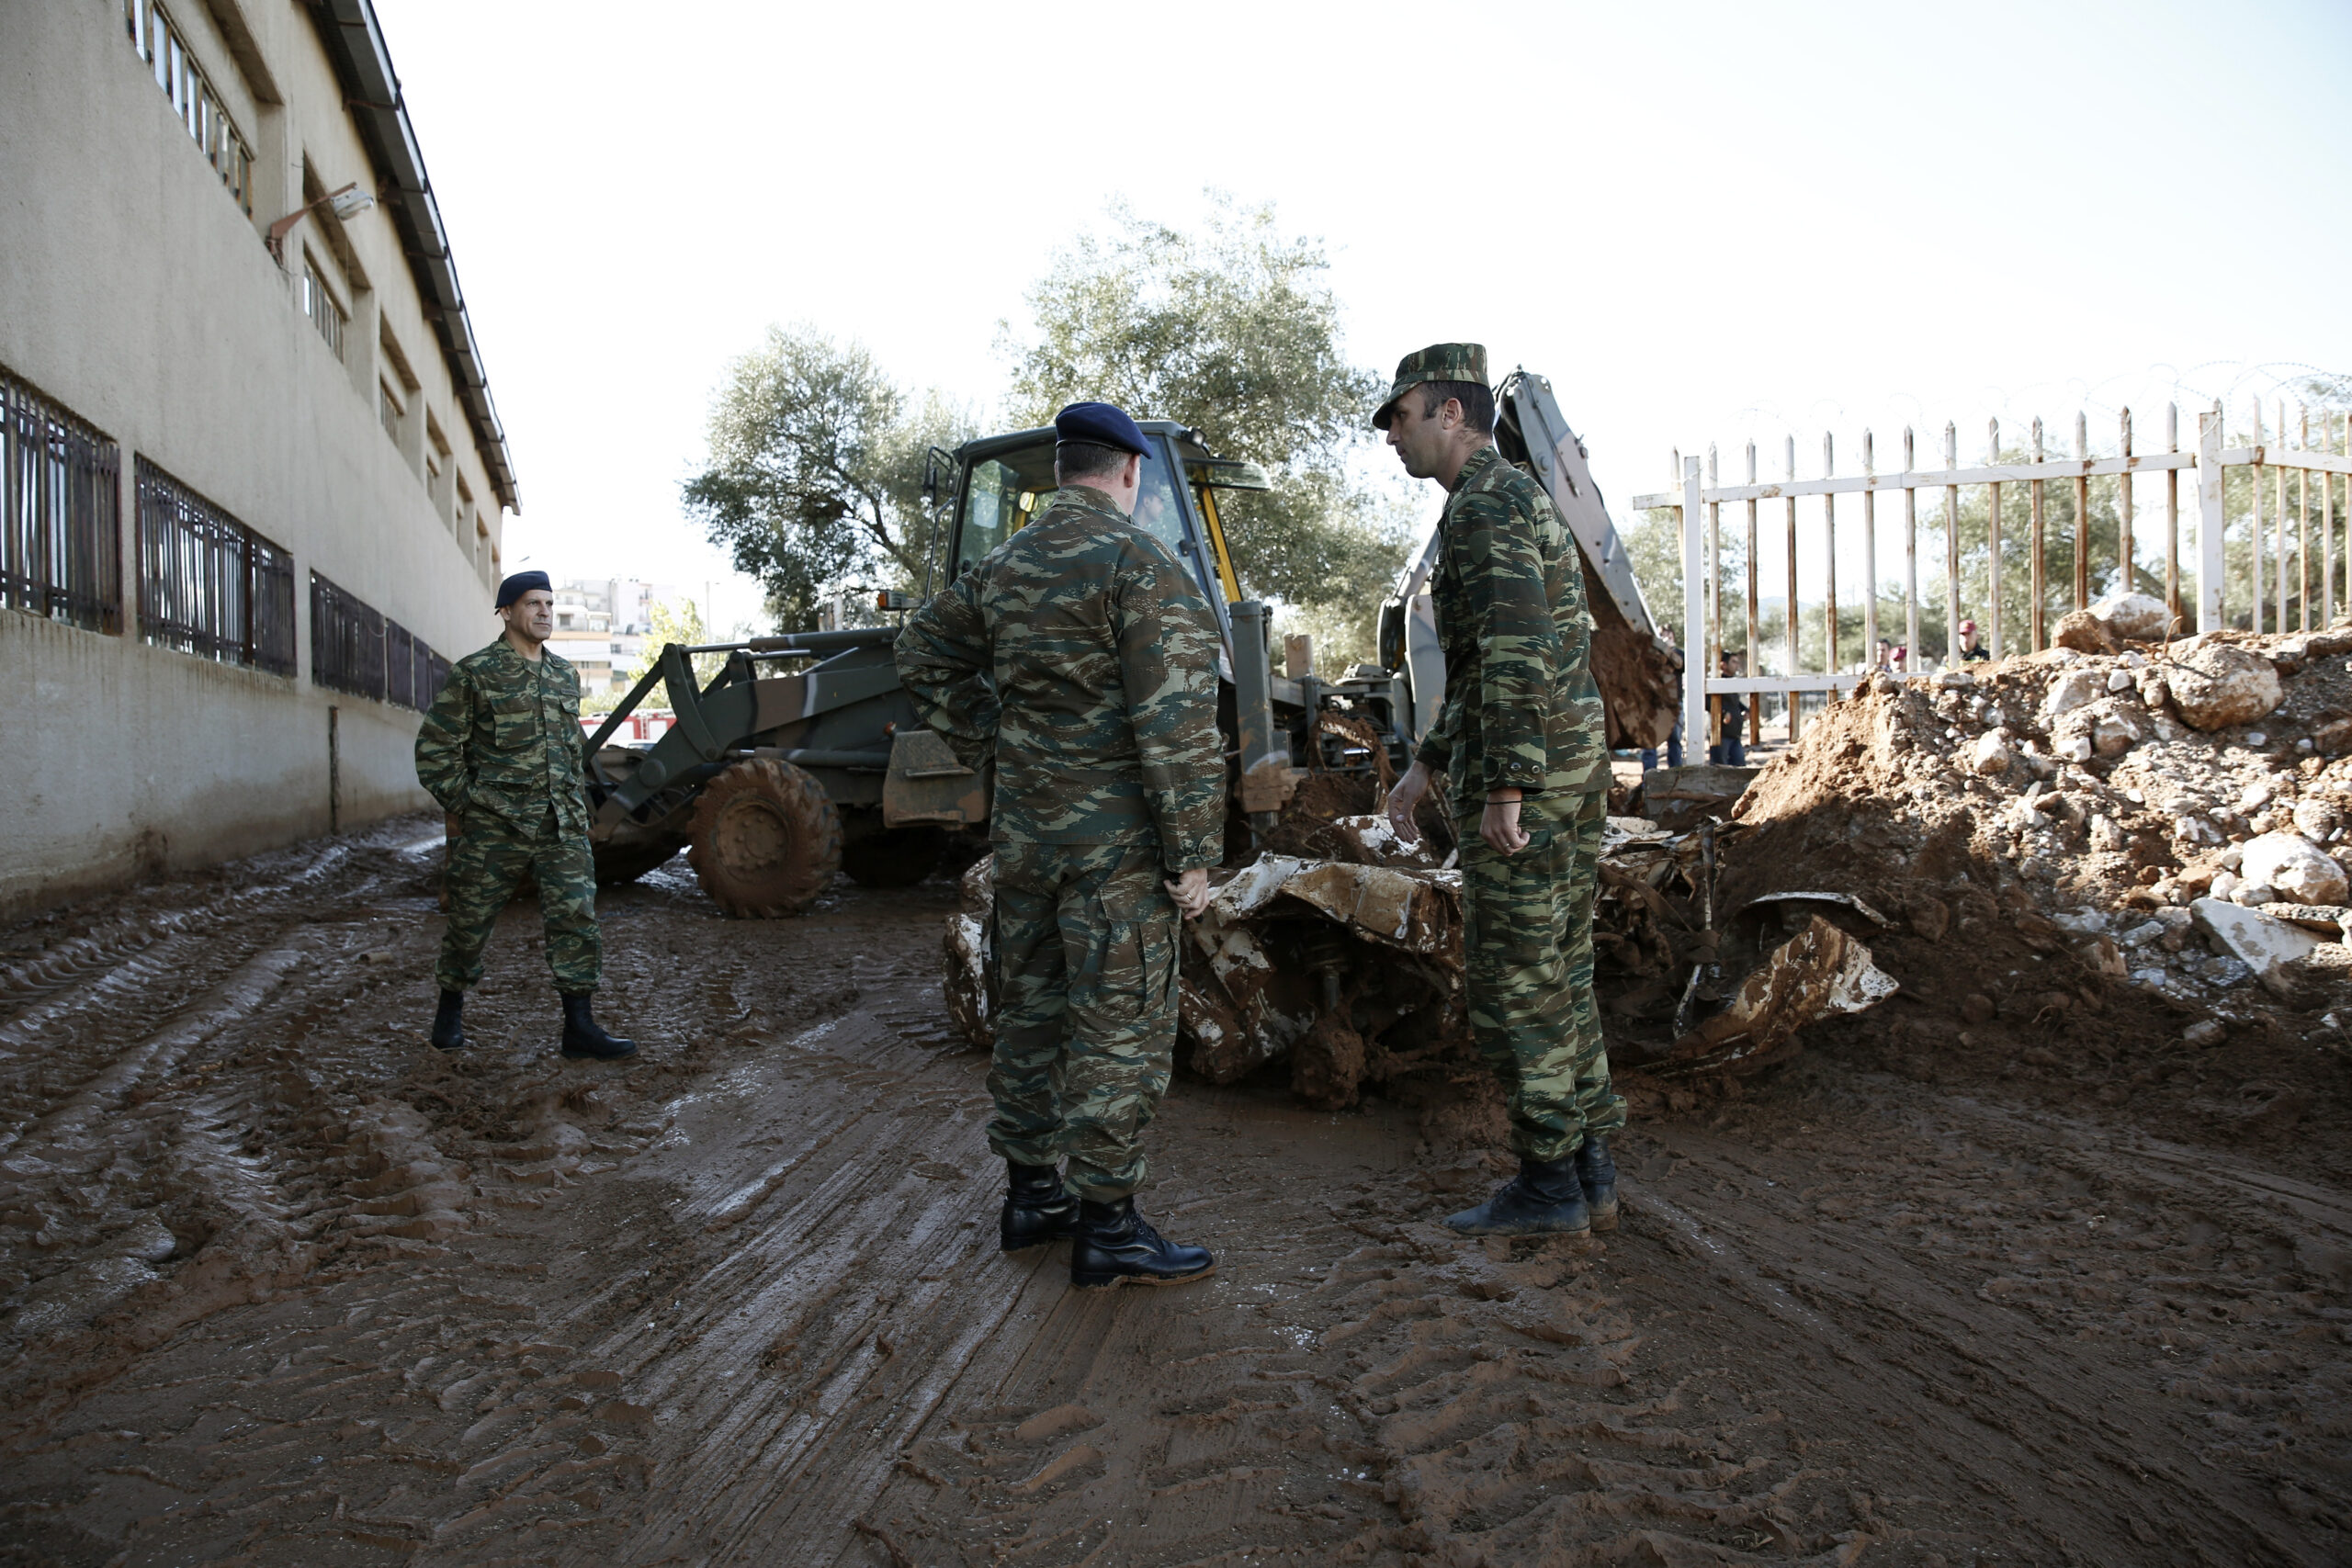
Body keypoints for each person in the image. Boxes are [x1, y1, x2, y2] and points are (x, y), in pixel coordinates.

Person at [897, 400, 1226, 1290]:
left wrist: (993, 742)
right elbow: (1176, 720)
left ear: (1057, 469)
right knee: (1120, 1023)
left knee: (1033, 1011)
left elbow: (921, 650)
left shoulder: (1004, 567)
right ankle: (1109, 1224)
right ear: (1128, 472)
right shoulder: (1137, 565)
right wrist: (1192, 851)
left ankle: (1032, 1196)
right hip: (1114, 849)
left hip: (1028, 842)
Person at [1376, 344, 1622, 1238]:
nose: (1389, 437)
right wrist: (1425, 764)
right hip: (1567, 772)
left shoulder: (1484, 508)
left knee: (1515, 984)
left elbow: (1517, 654)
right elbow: (1485, 663)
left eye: (1398, 417)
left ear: (1449, 413)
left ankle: (1548, 1181)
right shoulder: (1508, 498)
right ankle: (1589, 1164)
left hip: (1534, 783)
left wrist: (1504, 789)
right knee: (1561, 972)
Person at [413, 571, 636, 1060]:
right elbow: (435, 750)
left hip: (561, 826)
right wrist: (469, 803)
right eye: (533, 604)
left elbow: (568, 752)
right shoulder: (476, 673)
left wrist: (577, 809)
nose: (544, 613)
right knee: (470, 921)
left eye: (549, 605)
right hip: (497, 827)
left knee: (577, 919)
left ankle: (579, 1029)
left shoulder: (563, 675)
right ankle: (449, 1010)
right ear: (507, 612)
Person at [1710, 652, 1747, 766]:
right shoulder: (1715, 682)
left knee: (1739, 767)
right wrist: (1723, 713)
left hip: (1734, 733)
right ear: (1723, 665)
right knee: (1721, 768)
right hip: (1721, 733)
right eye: (1733, 662)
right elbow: (1708, 703)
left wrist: (1746, 709)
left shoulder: (1731, 682)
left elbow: (1734, 703)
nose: (1737, 665)